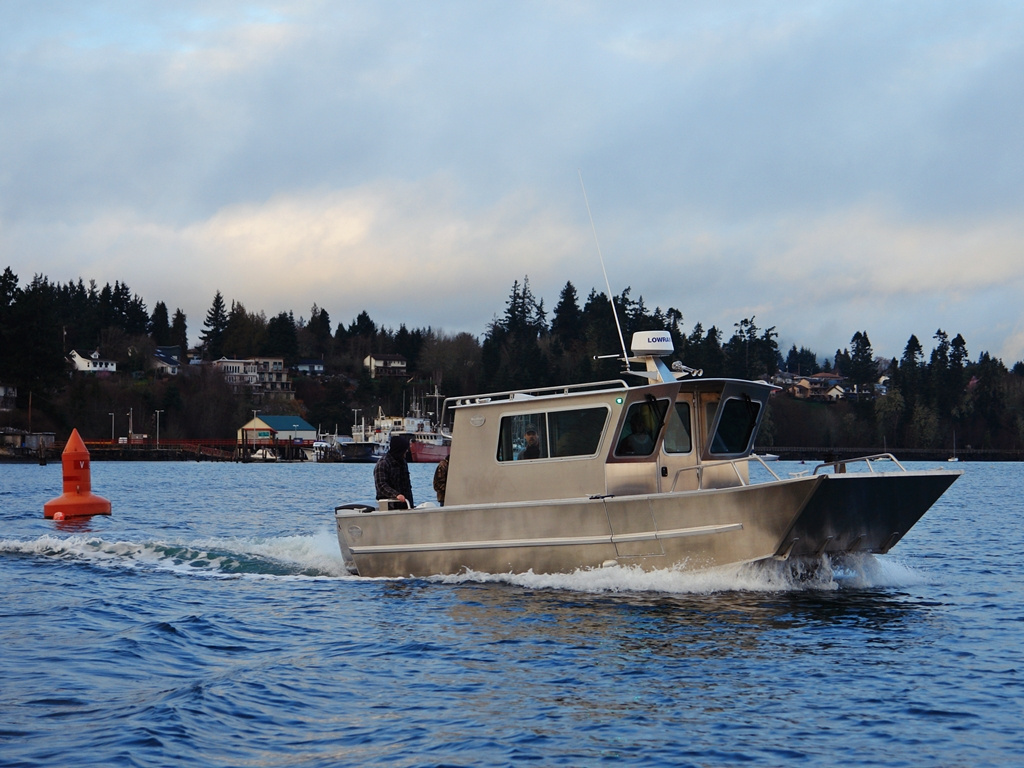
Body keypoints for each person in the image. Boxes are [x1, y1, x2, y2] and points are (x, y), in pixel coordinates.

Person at [374, 434, 414, 508]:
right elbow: (381, 485)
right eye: (405, 449)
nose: (407, 451)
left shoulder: (403, 462)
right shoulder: (383, 463)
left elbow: (407, 486)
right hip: (389, 505)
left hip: (405, 504)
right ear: (399, 449)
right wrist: (396, 495)